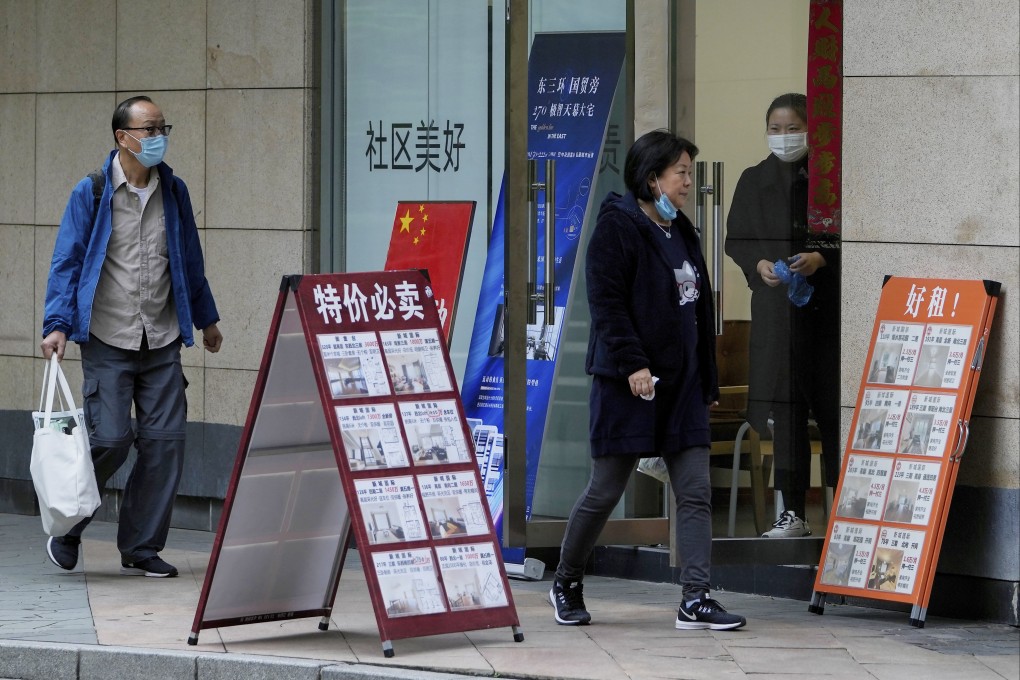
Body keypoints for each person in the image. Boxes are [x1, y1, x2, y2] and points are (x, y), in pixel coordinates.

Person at [548, 130, 746, 631]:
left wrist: (707, 378)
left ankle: (695, 597)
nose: (687, 181)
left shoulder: (680, 229)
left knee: (695, 491)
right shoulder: (617, 227)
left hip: (682, 386)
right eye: (681, 171)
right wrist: (635, 364)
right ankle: (567, 578)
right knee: (606, 488)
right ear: (651, 176)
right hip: (629, 382)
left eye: (688, 172)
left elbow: (697, 308)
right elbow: (607, 304)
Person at [40, 95, 222, 578]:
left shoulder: (174, 191)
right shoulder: (93, 191)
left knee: (165, 443)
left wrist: (206, 319)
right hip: (107, 336)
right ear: (123, 137)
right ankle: (68, 523)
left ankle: (141, 547)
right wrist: (56, 324)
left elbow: (189, 258)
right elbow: (67, 260)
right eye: (150, 128)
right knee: (112, 439)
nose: (159, 136)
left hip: (160, 337)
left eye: (164, 126)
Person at [725, 93, 840, 538]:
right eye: (776, 128)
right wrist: (758, 266)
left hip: (825, 317)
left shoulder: (829, 180)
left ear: (811, 129)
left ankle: (841, 508)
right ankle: (791, 511)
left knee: (832, 410)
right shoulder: (754, 179)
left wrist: (821, 260)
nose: (784, 136)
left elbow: (853, 239)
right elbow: (737, 239)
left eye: (793, 128)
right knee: (786, 410)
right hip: (776, 315)